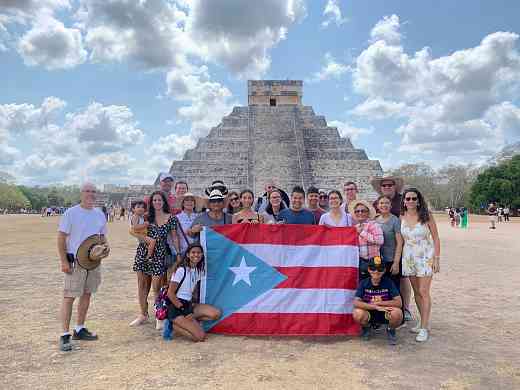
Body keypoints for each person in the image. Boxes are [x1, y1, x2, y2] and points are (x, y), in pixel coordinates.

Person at [57, 183, 108, 352]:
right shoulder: (71, 213)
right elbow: (61, 238)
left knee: (87, 294)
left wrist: (105, 248)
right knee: (69, 296)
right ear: (81, 193)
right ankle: (64, 334)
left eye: (93, 191)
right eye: (87, 191)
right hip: (75, 261)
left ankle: (79, 328)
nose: (90, 194)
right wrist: (64, 261)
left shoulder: (100, 214)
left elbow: (102, 237)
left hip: (93, 261)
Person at [132, 191, 179, 329]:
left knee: (157, 286)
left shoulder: (171, 218)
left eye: (159, 200)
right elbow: (134, 230)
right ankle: (143, 314)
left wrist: (178, 253)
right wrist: (145, 240)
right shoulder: (146, 217)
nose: (157, 202)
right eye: (154, 200)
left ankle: (159, 314)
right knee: (142, 284)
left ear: (164, 202)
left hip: (160, 254)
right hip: (143, 251)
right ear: (151, 203)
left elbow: (174, 237)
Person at [401, 188, 441, 342]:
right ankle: (422, 322)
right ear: (404, 201)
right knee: (416, 292)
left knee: (424, 291)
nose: (410, 201)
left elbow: (436, 238)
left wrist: (437, 258)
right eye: (408, 198)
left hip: (425, 256)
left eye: (413, 198)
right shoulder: (402, 216)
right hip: (409, 257)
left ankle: (424, 328)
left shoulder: (426, 216)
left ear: (418, 200)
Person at [163, 243, 221, 341]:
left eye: (199, 253)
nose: (196, 255)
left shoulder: (198, 270)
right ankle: (173, 325)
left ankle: (188, 323)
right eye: (193, 252)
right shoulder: (181, 270)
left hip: (188, 305)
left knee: (216, 313)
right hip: (177, 307)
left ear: (202, 255)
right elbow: (170, 293)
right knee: (200, 337)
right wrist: (184, 310)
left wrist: (190, 307)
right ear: (188, 255)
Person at [353, 257, 403, 345]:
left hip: (385, 312)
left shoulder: (389, 282)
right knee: (357, 313)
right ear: (368, 269)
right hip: (369, 312)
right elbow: (356, 303)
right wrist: (375, 307)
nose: (376, 271)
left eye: (380, 269)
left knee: (397, 313)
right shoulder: (364, 283)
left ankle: (391, 330)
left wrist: (380, 304)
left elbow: (399, 303)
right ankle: (367, 327)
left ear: (384, 270)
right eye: (373, 268)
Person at [375, 196, 403, 295]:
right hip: (378, 261)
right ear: (378, 206)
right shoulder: (375, 220)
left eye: (386, 203)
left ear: (391, 206)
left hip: (391, 261)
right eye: (381, 203)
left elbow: (400, 243)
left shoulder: (395, 221)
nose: (384, 205)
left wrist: (396, 263)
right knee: (380, 289)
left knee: (393, 290)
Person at [349, 199, 383, 280]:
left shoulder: (374, 225)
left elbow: (380, 240)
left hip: (374, 262)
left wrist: (362, 232)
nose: (360, 213)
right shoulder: (354, 228)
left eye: (363, 211)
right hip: (360, 262)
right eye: (357, 211)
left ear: (368, 213)